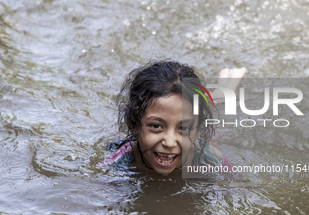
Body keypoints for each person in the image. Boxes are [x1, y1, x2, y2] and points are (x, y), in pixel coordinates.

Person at [101, 59, 246, 176]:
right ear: (133, 126)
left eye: (183, 128)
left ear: (198, 129)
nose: (170, 143)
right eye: (156, 126)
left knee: (219, 114)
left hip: (203, 131)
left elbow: (239, 186)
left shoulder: (205, 156)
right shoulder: (123, 159)